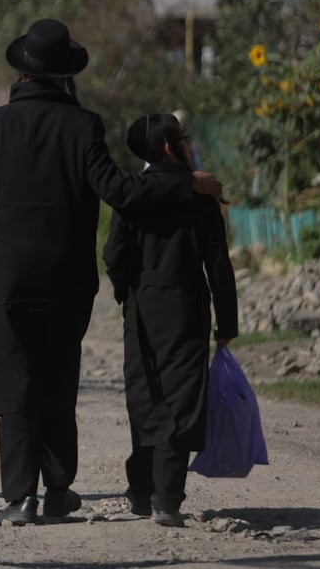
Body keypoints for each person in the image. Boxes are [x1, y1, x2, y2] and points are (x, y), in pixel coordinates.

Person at [0, 18, 222, 526]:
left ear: (22, 73)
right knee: (56, 379)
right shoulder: (83, 126)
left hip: (7, 277)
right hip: (66, 278)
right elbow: (120, 192)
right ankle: (57, 491)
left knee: (15, 382)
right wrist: (186, 184)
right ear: (64, 77)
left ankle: (19, 498)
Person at [102, 113, 238, 527]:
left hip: (142, 307)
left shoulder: (132, 196)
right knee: (181, 399)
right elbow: (218, 264)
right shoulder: (201, 196)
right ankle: (166, 498)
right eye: (182, 139)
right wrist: (227, 322)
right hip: (186, 305)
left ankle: (140, 491)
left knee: (145, 395)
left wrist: (127, 290)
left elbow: (113, 255)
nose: (187, 145)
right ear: (168, 147)